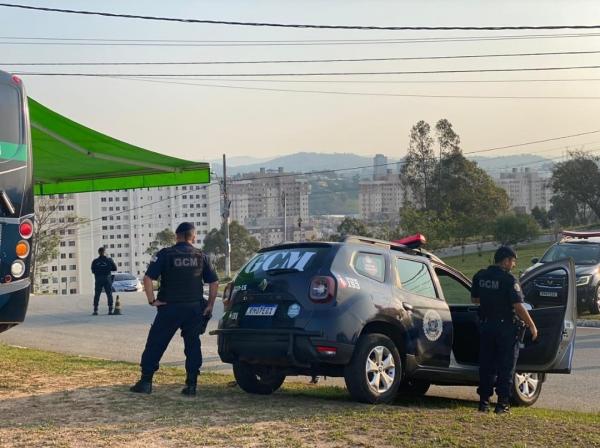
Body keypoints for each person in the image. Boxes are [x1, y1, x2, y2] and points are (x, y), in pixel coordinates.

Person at [130, 222, 218, 396]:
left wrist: (152, 301)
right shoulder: (202, 256)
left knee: (156, 343)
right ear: (194, 236)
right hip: (194, 308)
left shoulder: (165, 254)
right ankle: (191, 385)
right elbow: (214, 282)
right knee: (192, 345)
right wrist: (209, 305)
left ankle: (146, 382)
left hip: (169, 307)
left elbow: (148, 279)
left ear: (176, 236)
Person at [471, 246, 539, 414]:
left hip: (486, 326)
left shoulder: (480, 276)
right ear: (506, 260)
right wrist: (531, 324)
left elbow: (475, 299)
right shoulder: (509, 280)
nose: (514, 265)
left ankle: (484, 403)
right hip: (505, 328)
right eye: (513, 261)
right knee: (505, 366)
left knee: (486, 365)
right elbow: (518, 306)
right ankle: (502, 404)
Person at [91, 247, 117, 315]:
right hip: (107, 279)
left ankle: (95, 310)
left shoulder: (95, 261)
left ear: (98, 252)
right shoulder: (109, 260)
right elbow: (115, 268)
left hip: (98, 279)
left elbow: (93, 271)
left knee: (97, 294)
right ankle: (110, 310)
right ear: (104, 252)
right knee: (109, 294)